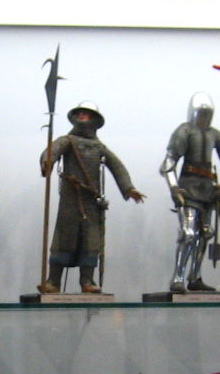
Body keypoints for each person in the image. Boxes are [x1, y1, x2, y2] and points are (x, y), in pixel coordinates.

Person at [38, 101, 144, 294]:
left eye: (86, 114)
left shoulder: (99, 147)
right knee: (63, 239)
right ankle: (53, 281)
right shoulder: (67, 141)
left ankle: (87, 280)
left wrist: (128, 188)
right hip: (70, 200)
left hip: (91, 202)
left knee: (90, 241)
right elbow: (51, 152)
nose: (82, 116)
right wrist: (48, 161)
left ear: (94, 119)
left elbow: (117, 167)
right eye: (79, 113)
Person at [160, 92, 220, 293]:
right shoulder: (184, 131)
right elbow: (169, 162)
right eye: (201, 113)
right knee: (188, 233)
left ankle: (195, 277)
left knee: (206, 233)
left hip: (208, 190)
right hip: (188, 189)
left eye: (206, 114)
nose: (203, 117)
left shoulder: (214, 134)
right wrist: (174, 187)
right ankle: (178, 278)